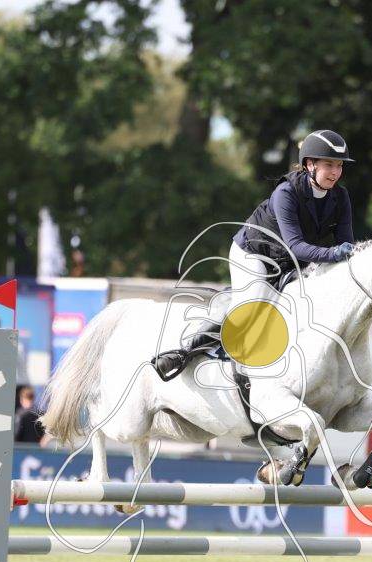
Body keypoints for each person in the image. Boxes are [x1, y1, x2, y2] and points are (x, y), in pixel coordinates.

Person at [151, 129, 357, 380]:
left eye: (339, 166)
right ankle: (185, 351)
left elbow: (346, 243)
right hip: (253, 254)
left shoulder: (340, 197)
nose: (335, 172)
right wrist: (334, 253)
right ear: (310, 164)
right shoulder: (286, 193)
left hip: (291, 261)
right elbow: (296, 245)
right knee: (254, 302)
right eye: (329, 165)